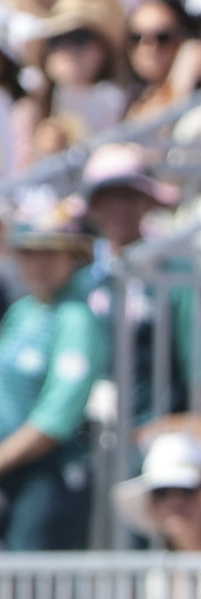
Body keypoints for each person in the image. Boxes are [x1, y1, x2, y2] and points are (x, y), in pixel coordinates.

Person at [0, 198, 104, 550]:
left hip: (49, 475)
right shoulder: (22, 312)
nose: (38, 263)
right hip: (11, 474)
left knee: (38, 596)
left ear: (71, 257)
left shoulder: (76, 318)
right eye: (30, 253)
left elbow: (57, 415)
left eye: (50, 252)